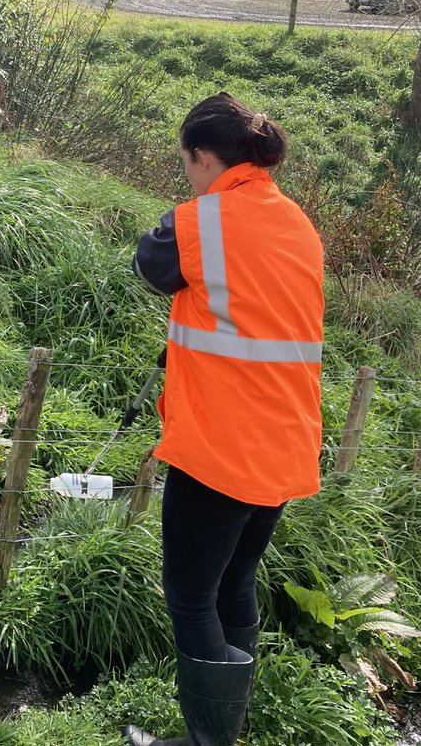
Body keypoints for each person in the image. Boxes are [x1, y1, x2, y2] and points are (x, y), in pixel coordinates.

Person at [124, 93, 325, 746]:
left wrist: (191, 213)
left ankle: (209, 741)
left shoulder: (203, 221)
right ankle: (228, 730)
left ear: (205, 158)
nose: (188, 178)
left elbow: (152, 263)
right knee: (235, 583)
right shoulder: (297, 223)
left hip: (221, 445)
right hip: (284, 442)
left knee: (188, 596)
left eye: (188, 165)